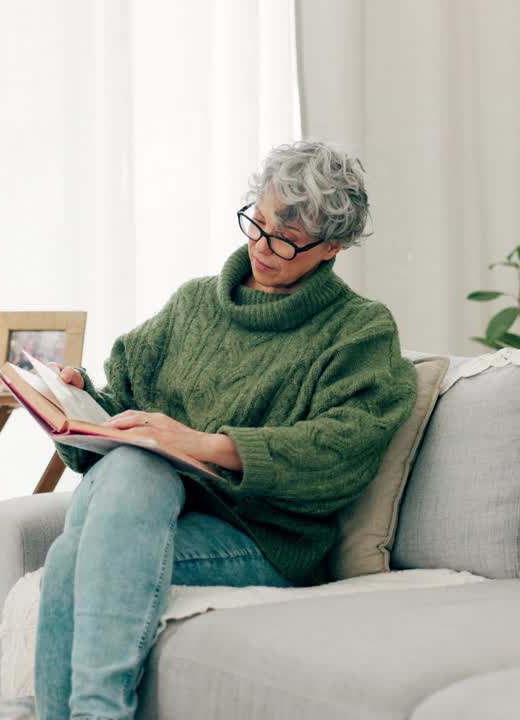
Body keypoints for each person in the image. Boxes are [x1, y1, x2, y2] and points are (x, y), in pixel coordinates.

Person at [32, 141, 418, 720]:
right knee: (117, 487)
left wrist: (201, 444)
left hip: (262, 539)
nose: (263, 247)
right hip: (160, 509)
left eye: (286, 239)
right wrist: (77, 397)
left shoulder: (357, 330)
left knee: (80, 548)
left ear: (332, 248)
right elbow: (123, 409)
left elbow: (342, 452)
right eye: (257, 223)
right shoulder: (192, 305)